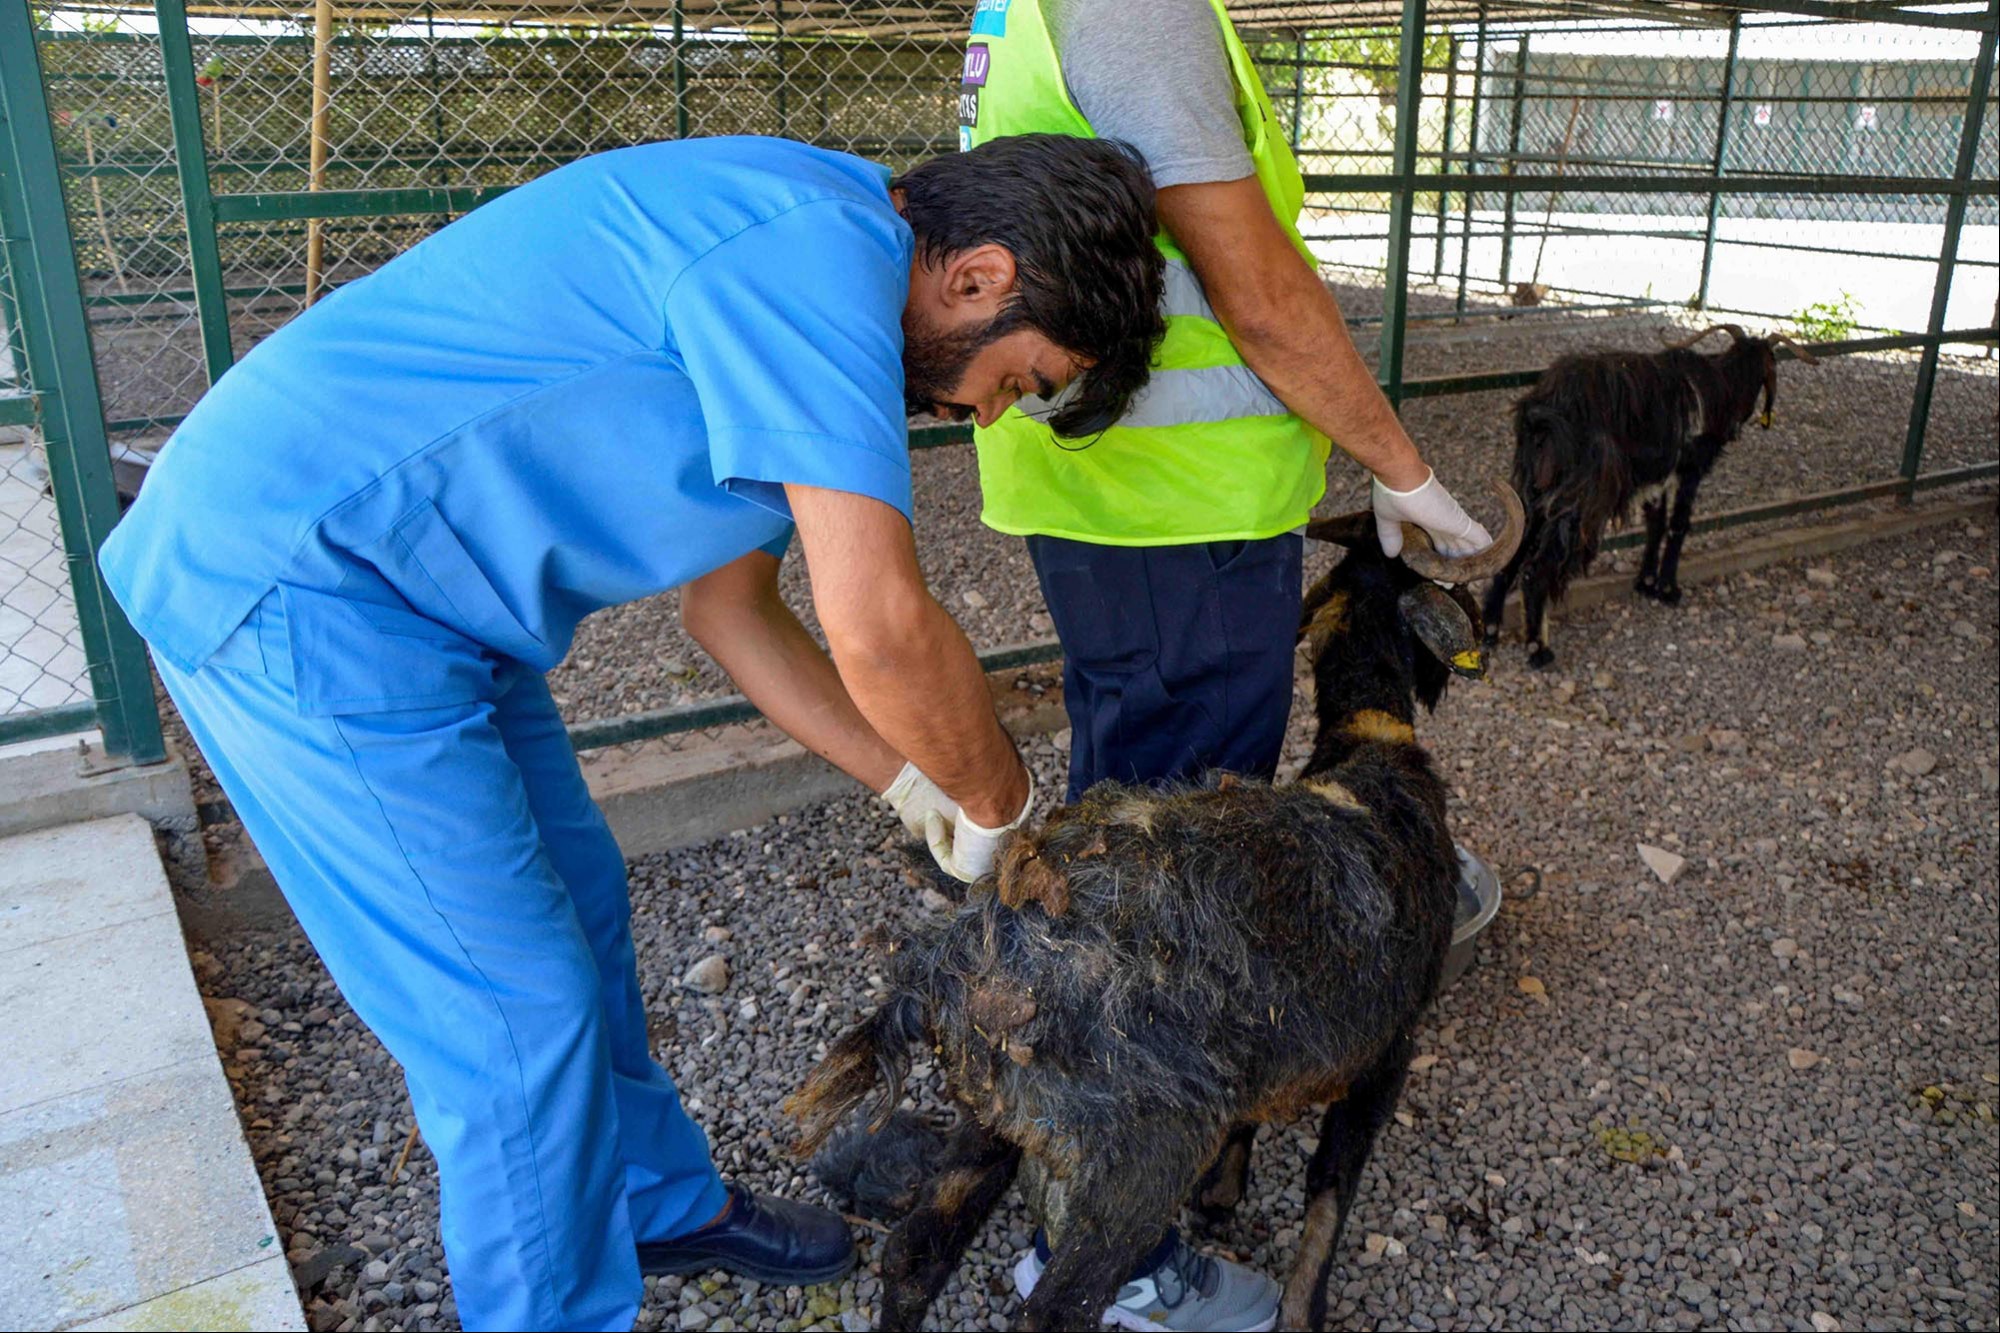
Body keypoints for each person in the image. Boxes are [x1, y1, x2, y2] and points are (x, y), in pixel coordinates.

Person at [97, 132, 1164, 1332]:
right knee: (507, 1017)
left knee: (580, 899)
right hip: (305, 579)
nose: (982, 413)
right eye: (1015, 381)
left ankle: (649, 1204)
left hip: (424, 604)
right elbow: (879, 622)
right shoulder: (816, 257)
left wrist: (910, 780)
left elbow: (733, 611)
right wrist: (1003, 813)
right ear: (975, 276)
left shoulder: (818, 253)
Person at [960, 3, 1495, 1330]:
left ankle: (1105, 1167)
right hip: (1173, 506)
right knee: (1163, 882)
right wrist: (1401, 469)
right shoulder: (1130, 10)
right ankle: (1105, 1246)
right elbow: (1253, 286)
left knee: (1122, 832)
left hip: (1124, 498)